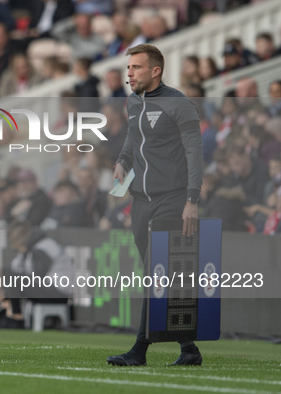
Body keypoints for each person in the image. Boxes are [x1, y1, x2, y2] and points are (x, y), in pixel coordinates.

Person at [108, 44, 203, 366]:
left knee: (155, 272)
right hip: (140, 200)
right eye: (128, 68)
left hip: (172, 199)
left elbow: (194, 152)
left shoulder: (179, 104)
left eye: (135, 67)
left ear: (155, 70)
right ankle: (189, 348)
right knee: (160, 275)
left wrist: (192, 199)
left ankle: (139, 349)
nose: (129, 73)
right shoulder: (134, 102)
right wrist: (122, 161)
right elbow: (133, 139)